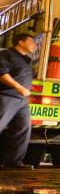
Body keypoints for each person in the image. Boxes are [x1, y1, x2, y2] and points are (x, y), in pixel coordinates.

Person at [0, 31, 38, 169]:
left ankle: (13, 162)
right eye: (31, 42)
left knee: (23, 129)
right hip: (7, 97)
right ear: (21, 42)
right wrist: (18, 87)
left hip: (22, 101)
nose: (35, 45)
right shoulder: (6, 55)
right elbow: (2, 74)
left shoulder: (26, 60)